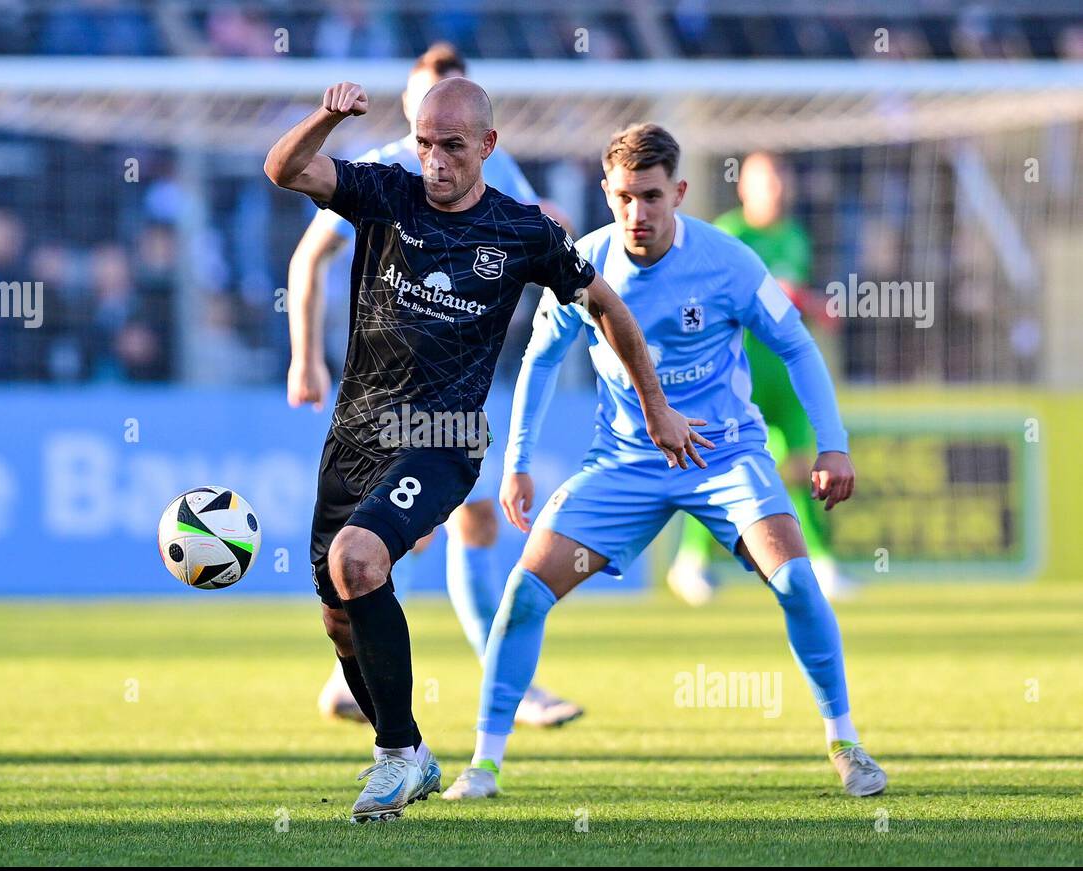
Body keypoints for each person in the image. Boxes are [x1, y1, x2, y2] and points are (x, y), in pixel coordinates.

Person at [264, 82, 707, 822]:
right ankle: (409, 753)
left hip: (444, 440)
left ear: (488, 148)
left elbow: (609, 309)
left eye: (453, 146)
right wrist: (328, 118)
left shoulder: (521, 231)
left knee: (355, 561)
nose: (434, 161)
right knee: (339, 613)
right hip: (355, 435)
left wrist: (656, 407)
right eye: (424, 143)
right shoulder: (384, 193)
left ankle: (397, 758)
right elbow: (284, 169)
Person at [441, 124, 886, 802]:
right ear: (606, 193)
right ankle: (485, 762)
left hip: (725, 454)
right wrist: (519, 461)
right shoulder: (582, 263)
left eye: (651, 196)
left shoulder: (730, 262)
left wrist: (832, 442)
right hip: (624, 464)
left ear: (678, 191)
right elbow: (540, 358)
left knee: (797, 582)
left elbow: (797, 346)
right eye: (623, 197)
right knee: (525, 594)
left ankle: (846, 743)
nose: (637, 214)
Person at [290, 43, 583, 728]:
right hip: (389, 388)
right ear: (409, 104)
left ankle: (491, 684)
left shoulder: (487, 162)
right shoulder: (391, 169)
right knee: (397, 539)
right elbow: (311, 253)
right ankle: (478, 688)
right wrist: (305, 354)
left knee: (458, 523)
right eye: (426, 101)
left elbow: (528, 223)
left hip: (464, 382)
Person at [667, 151, 855, 604]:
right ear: (743, 188)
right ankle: (690, 563)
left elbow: (789, 305)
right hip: (737, 373)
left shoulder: (794, 236)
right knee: (717, 465)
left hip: (783, 372)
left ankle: (821, 563)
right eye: (764, 182)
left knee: (805, 464)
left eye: (779, 181)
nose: (774, 191)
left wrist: (813, 306)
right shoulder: (731, 235)